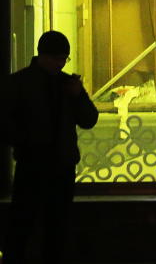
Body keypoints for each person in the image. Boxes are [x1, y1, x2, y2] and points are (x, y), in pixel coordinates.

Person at [0, 30, 99, 264]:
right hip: (36, 164)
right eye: (57, 58)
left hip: (53, 165)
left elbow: (89, 119)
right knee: (27, 225)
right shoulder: (21, 83)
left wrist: (79, 96)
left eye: (64, 58)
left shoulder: (38, 83)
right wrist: (26, 142)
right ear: (43, 56)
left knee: (50, 226)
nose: (61, 63)